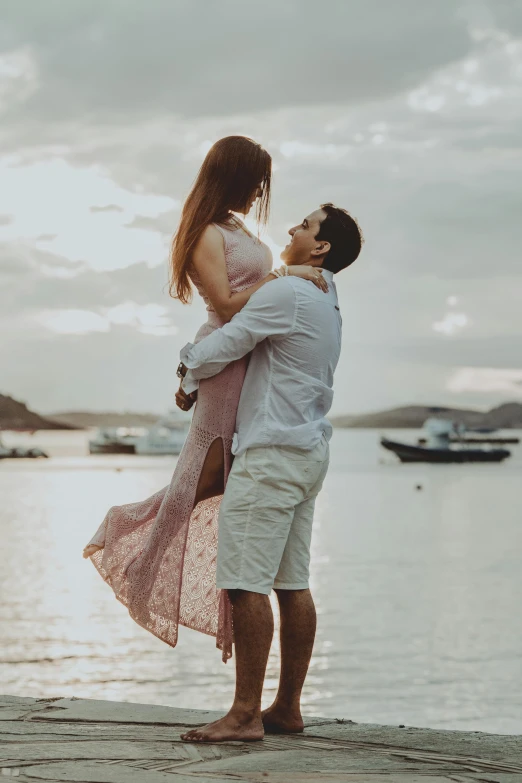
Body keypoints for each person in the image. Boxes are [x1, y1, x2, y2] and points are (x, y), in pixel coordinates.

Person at [82, 136, 326, 661]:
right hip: (226, 359)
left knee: (223, 477)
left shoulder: (238, 227)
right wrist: (287, 275)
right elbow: (225, 303)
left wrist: (286, 278)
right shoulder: (205, 233)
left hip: (245, 360)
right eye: (257, 180)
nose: (261, 191)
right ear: (234, 175)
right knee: (209, 474)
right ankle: (131, 535)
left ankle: (155, 538)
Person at [177, 203, 363, 742]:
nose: (291, 228)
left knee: (243, 583)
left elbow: (228, 341)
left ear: (321, 247)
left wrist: (187, 370)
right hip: (306, 452)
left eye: (305, 226)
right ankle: (286, 708)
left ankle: (243, 715)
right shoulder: (326, 297)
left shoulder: (288, 293)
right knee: (291, 583)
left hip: (271, 455)